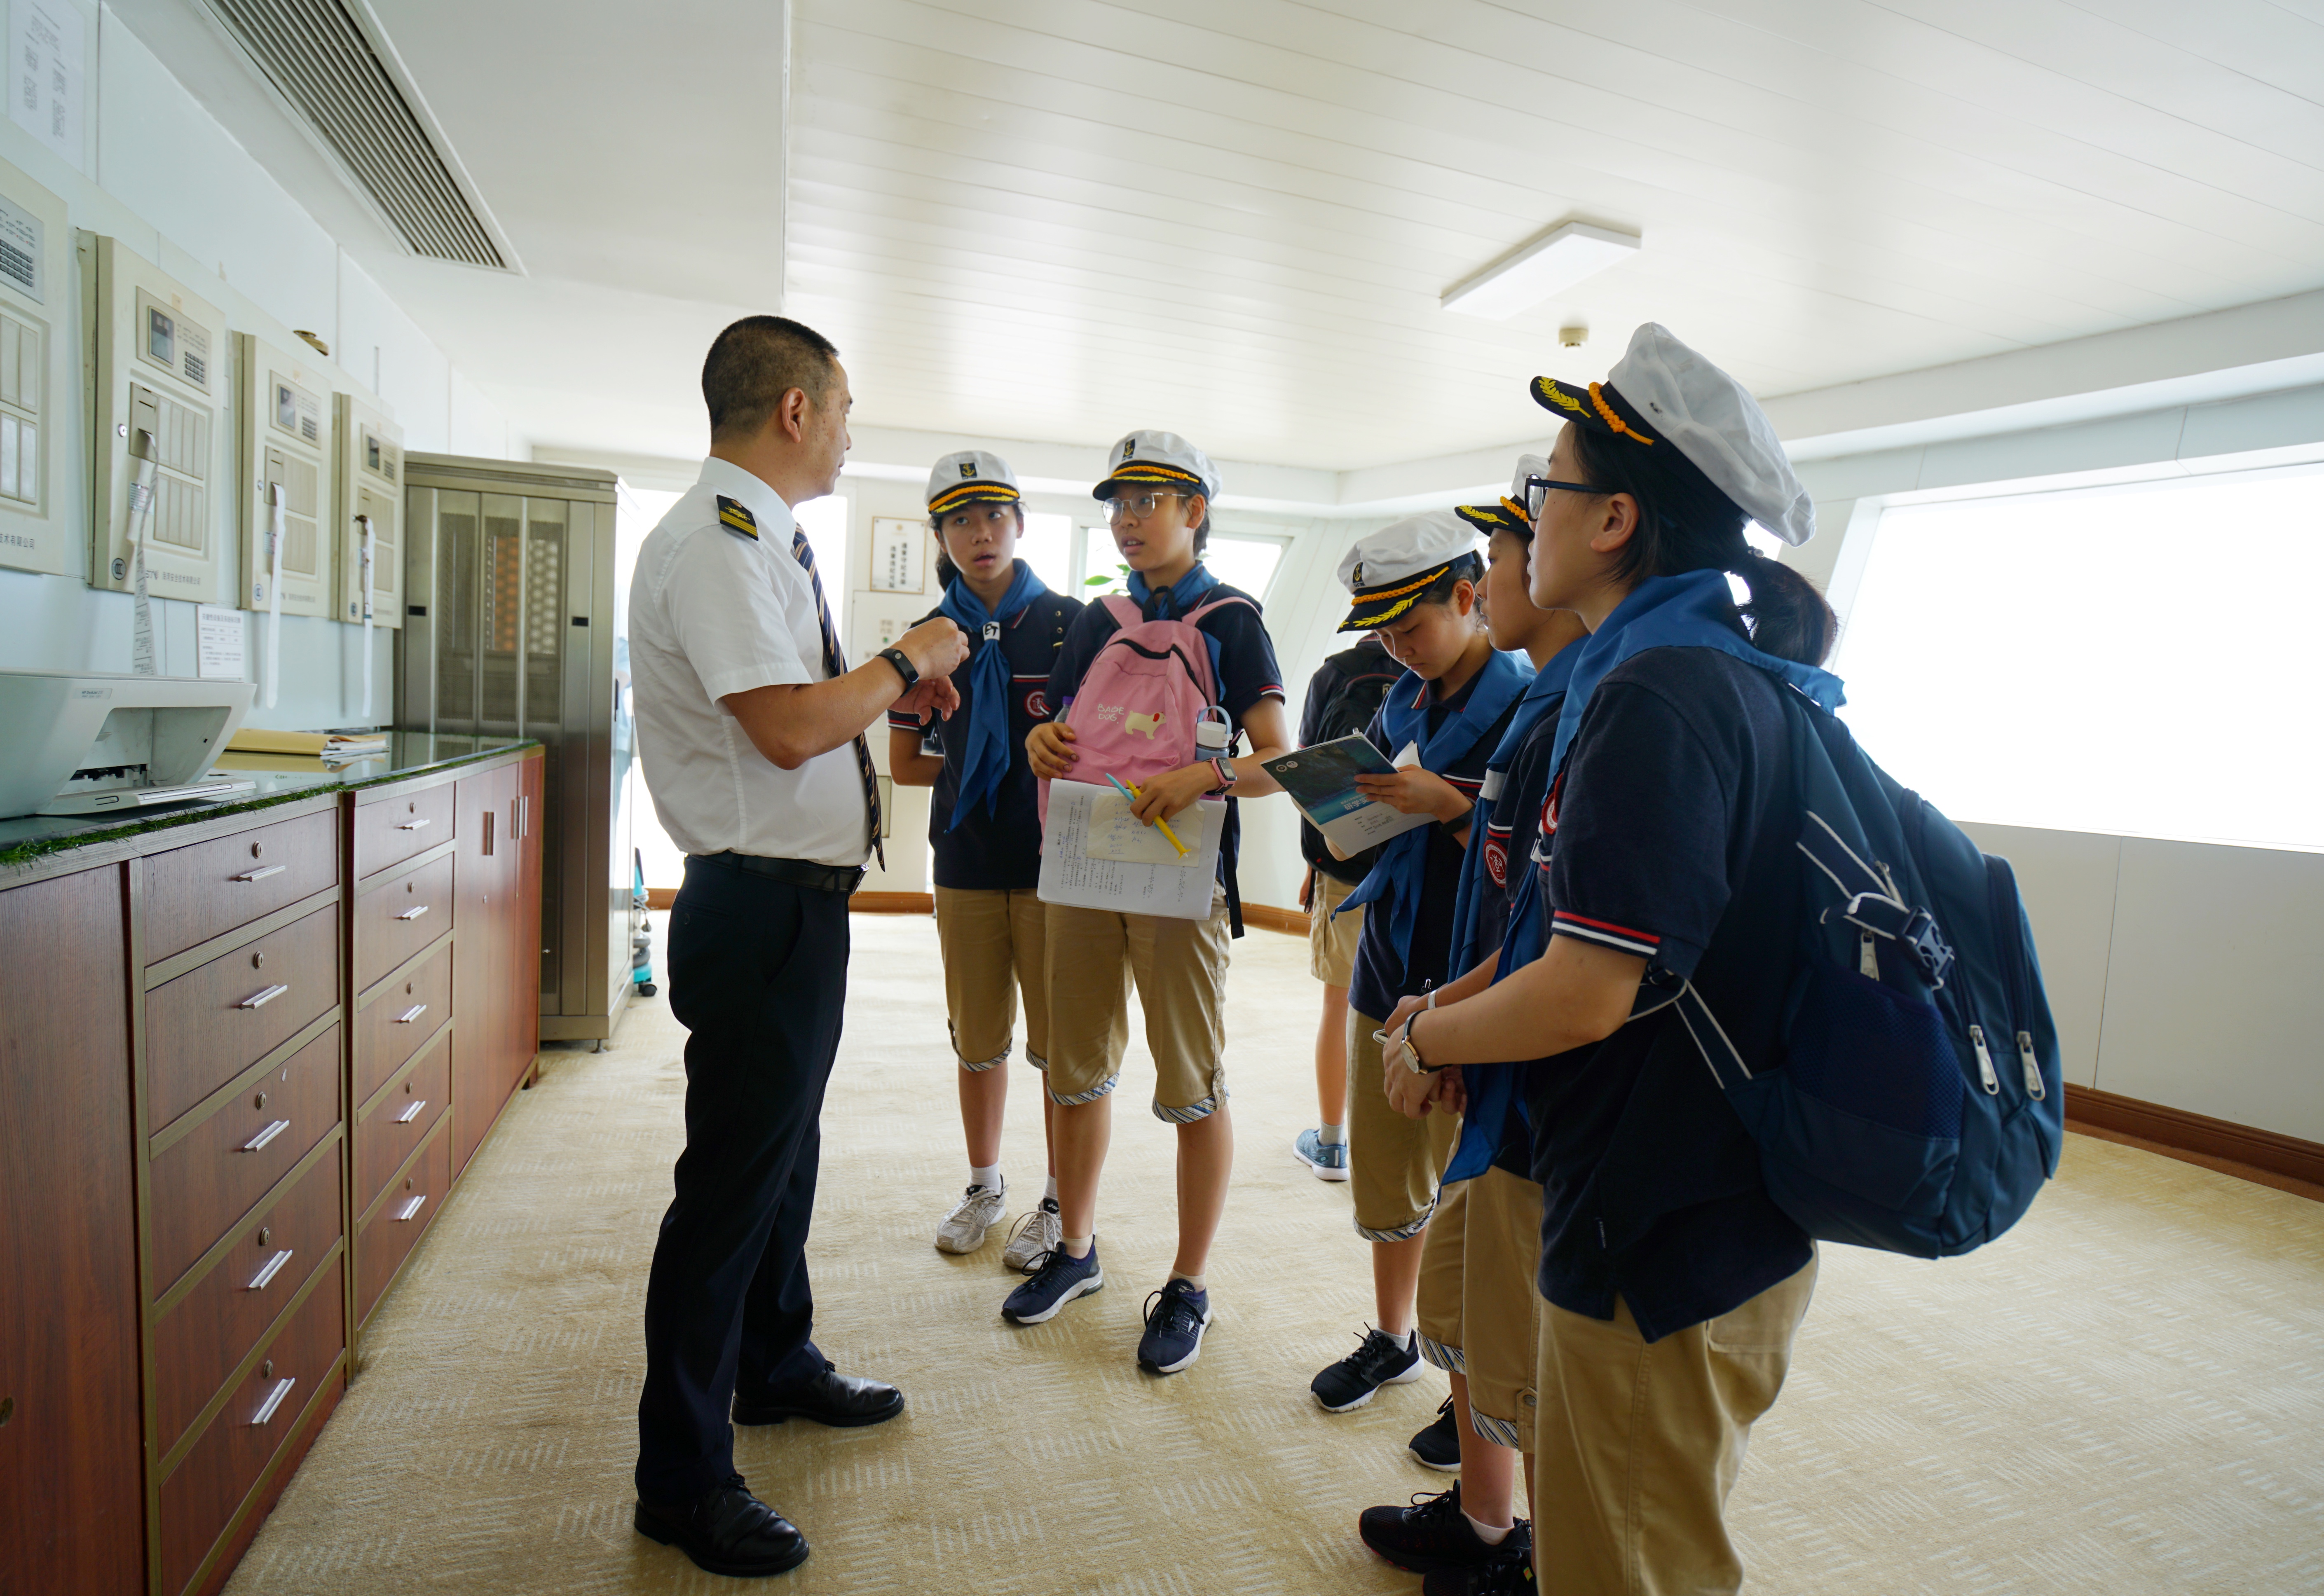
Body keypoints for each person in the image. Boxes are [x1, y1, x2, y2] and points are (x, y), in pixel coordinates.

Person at [1378, 323, 1841, 1596]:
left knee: (1627, 1566)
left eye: (1545, 492)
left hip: (1671, 1226)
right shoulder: (1678, 674)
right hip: (1655, 1197)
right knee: (1599, 1545)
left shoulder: (1662, 694)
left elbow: (1585, 993)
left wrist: (1428, 1036)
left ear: (1617, 521)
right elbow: (1567, 931)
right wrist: (1458, 1007)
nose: (1528, 518)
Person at [627, 314, 972, 1580]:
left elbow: (811, 716)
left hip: (795, 904)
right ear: (792, 411)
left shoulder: (759, 537)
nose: (845, 431)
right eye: (841, 409)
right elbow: (782, 730)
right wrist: (908, 655)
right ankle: (682, 1477)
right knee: (727, 1191)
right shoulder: (719, 543)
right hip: (756, 905)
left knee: (784, 1161)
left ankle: (774, 1364)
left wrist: (886, 688)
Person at [1005, 429, 1294, 1375]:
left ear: (1195, 511)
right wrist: (1042, 745)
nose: (1128, 520)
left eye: (1150, 500)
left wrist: (1199, 773)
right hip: (1087, 871)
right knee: (1075, 1067)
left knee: (1191, 1084)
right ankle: (1077, 1249)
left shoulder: (1234, 622)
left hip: (1180, 878)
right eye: (1118, 504)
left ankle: (1189, 1282)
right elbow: (1060, 729)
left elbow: (1276, 761)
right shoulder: (1098, 618)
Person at [1356, 466, 1589, 1590]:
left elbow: (1580, 967)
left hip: (1543, 1082)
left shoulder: (1600, 706)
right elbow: (1532, 916)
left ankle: (1537, 1552)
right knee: (1473, 1314)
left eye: (1507, 551)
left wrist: (1449, 1028)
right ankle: (1485, 1522)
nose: (1507, 569)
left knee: (1535, 1340)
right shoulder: (1551, 699)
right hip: (1473, 1024)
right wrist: (1446, 1011)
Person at [1308, 512, 1528, 1427]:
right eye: (1383, 632)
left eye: (1413, 626)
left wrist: (1454, 807)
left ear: (1470, 598)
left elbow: (1544, 855)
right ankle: (1394, 1335)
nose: (1398, 647)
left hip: (1473, 974)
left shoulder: (1525, 702)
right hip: (1389, 950)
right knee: (1390, 1168)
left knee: (1467, 1194)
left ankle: (1465, 1389)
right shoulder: (1404, 698)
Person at [886, 451, 1082, 1269]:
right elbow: (903, 765)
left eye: (995, 516)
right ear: (940, 536)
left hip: (1053, 867)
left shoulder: (1074, 625)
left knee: (1060, 1045)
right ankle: (984, 1184)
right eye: (961, 520)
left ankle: (1061, 1198)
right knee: (978, 1039)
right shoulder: (926, 641)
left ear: (1021, 524)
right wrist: (979, 772)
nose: (981, 534)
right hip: (964, 860)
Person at [1291, 631, 1397, 1183]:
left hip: (1343, 865)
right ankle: (1401, 1141)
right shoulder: (1451, 668)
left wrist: (1314, 862)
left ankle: (1332, 1144)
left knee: (1340, 1004)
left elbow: (1309, 779)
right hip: (1418, 865)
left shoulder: (1335, 674)